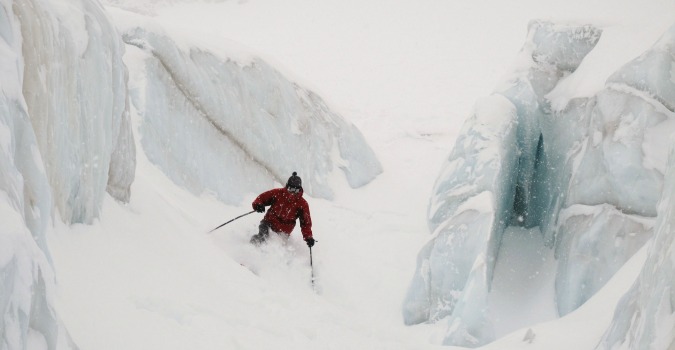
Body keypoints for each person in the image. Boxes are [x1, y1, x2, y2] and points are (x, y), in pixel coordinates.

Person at [250, 172, 315, 248]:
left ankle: (270, 257)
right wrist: (258, 205)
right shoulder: (278, 193)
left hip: (283, 232)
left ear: (299, 190)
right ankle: (251, 248)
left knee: (276, 247)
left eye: (296, 190)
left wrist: (308, 237)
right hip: (268, 223)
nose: (293, 193)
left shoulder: (302, 204)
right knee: (262, 237)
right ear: (287, 187)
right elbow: (261, 198)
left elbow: (305, 223)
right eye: (291, 189)